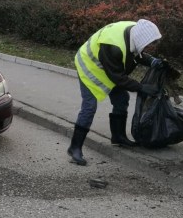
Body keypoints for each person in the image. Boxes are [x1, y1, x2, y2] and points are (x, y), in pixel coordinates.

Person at [68, 19, 163, 166]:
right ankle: (75, 148)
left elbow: (137, 54)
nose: (149, 47)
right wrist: (140, 87)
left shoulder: (135, 32)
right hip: (89, 67)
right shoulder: (113, 46)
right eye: (148, 44)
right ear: (141, 40)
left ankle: (118, 137)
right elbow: (118, 78)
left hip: (109, 68)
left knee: (121, 99)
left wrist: (152, 61)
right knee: (89, 107)